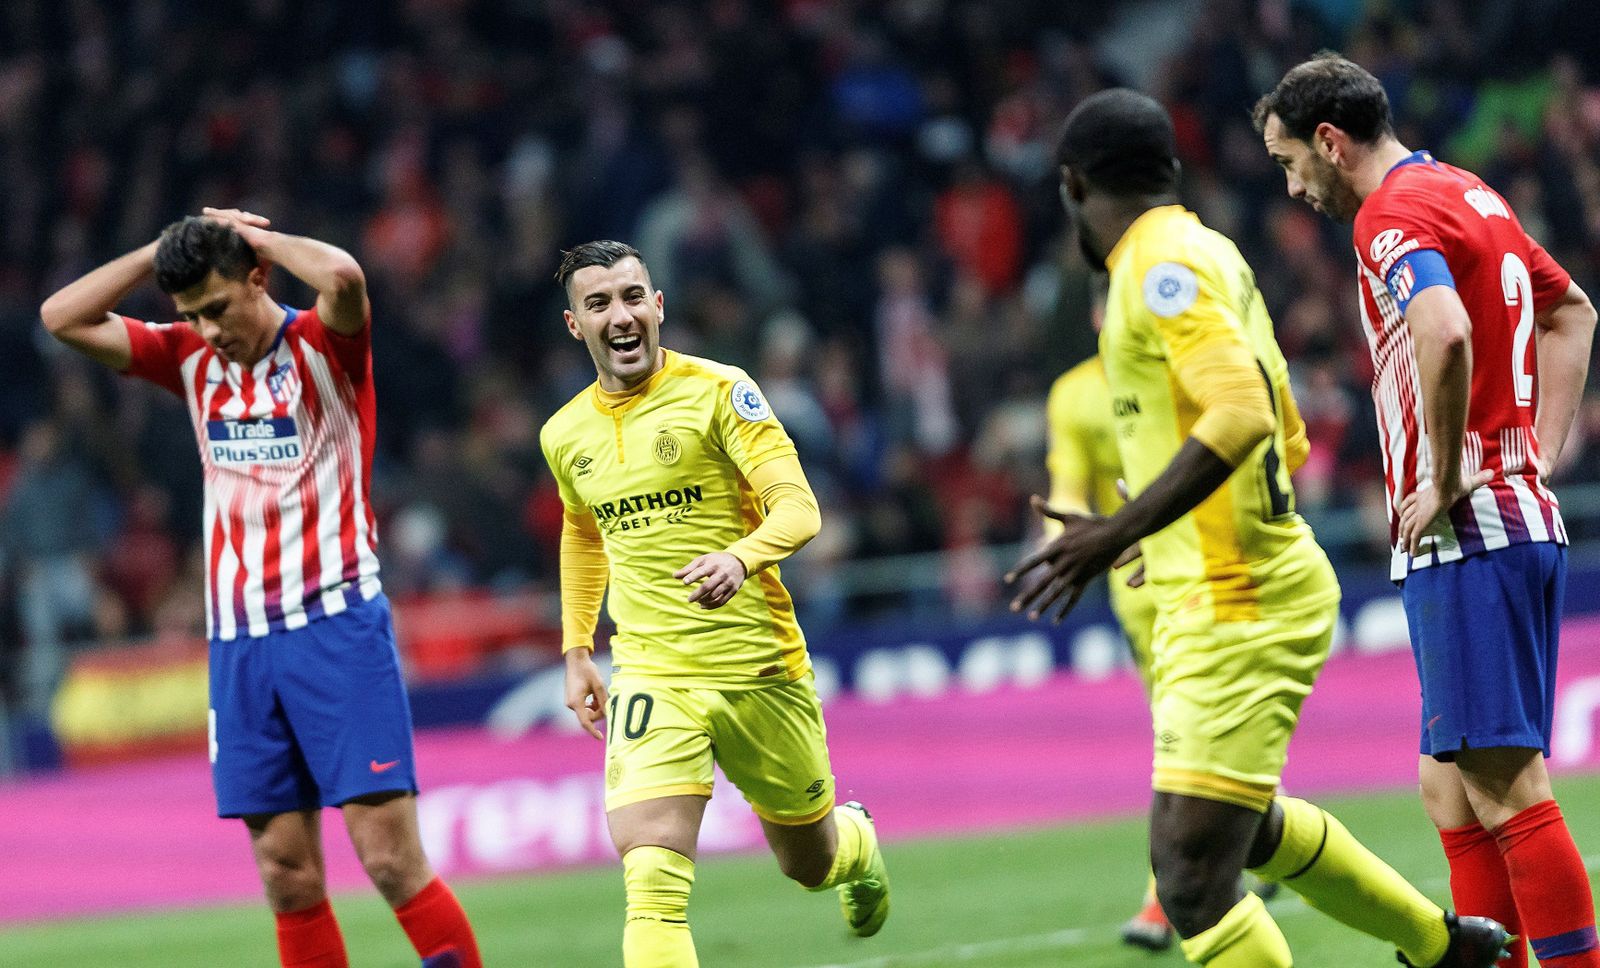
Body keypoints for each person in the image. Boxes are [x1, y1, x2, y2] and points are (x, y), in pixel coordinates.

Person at [1007, 88, 1508, 968]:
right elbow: (1283, 425)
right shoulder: (1205, 251)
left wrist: (1116, 523)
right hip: (1226, 581)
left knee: (1191, 880)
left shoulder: (1156, 269)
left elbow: (1240, 415)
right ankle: (1445, 949)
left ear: (1073, 184)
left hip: (1237, 597)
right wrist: (1152, 533)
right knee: (1244, 827)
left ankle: (1443, 950)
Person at [38, 210, 481, 968]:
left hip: (336, 626)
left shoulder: (325, 348)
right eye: (190, 316)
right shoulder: (185, 358)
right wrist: (158, 251)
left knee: (388, 860)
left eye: (217, 308)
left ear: (257, 279)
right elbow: (61, 317)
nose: (207, 329)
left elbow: (344, 275)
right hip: (241, 645)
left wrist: (258, 237)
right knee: (285, 873)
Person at [1257, 52, 1600, 968]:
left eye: (1291, 163)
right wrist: (1540, 454)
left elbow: (1441, 329)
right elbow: (1576, 315)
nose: (1293, 188)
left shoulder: (1390, 215)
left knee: (1506, 789)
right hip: (1509, 519)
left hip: (1468, 535)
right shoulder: (1466, 192)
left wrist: (1446, 473)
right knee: (1449, 790)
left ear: (1331, 143)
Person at [540, 240, 889, 968]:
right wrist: (576, 651)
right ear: (576, 324)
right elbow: (582, 532)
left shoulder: (721, 392)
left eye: (633, 297)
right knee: (651, 878)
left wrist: (741, 555)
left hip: (758, 667)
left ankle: (857, 844)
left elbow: (799, 509)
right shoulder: (563, 434)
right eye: (598, 303)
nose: (620, 315)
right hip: (652, 674)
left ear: (658, 307)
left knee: (809, 862)